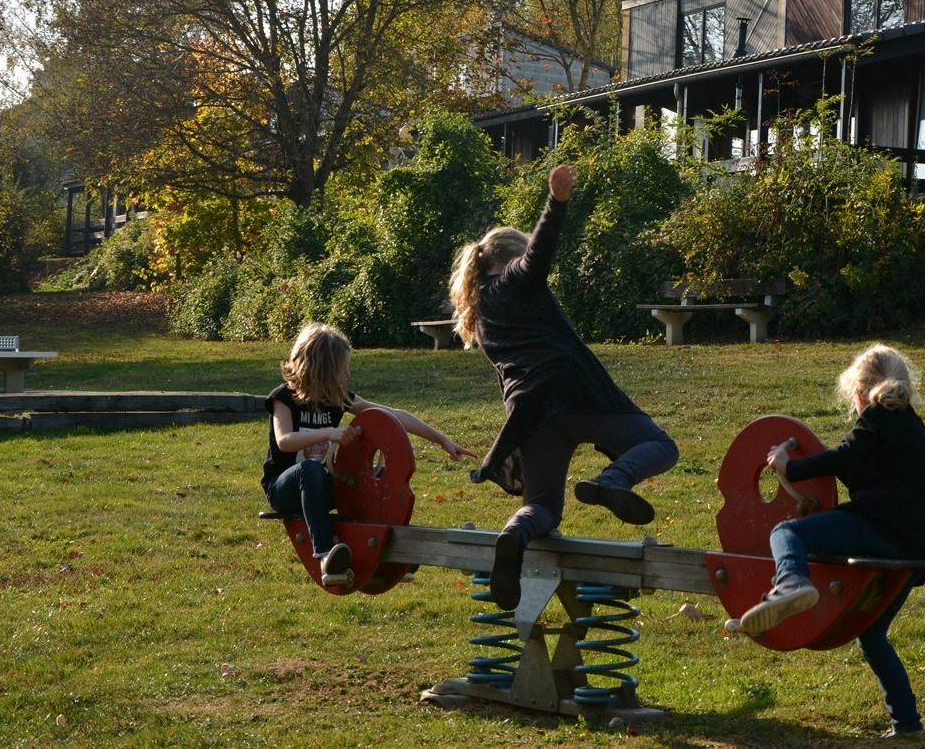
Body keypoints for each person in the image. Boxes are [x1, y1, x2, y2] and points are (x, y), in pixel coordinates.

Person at [448, 163, 680, 612]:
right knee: (659, 443)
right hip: (575, 393)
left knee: (544, 509)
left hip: (531, 415)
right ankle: (613, 480)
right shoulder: (516, 279)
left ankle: (514, 534)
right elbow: (540, 254)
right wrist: (556, 202)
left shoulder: (481, 312)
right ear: (510, 258)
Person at [741, 343, 925, 740]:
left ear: (857, 392)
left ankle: (791, 582)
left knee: (786, 532)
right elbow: (865, 475)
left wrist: (788, 466)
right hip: (914, 552)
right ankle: (908, 725)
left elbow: (841, 457)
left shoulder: (876, 419)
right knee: (871, 634)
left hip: (879, 532)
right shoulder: (910, 426)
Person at [263, 322, 476, 584]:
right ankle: (325, 556)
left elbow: (392, 416)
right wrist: (330, 432)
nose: (348, 375)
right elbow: (285, 441)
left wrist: (442, 440)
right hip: (284, 489)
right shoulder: (283, 398)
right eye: (343, 370)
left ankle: (391, 553)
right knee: (310, 470)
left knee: (376, 476)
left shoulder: (337, 397)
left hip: (323, 488)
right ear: (323, 370)